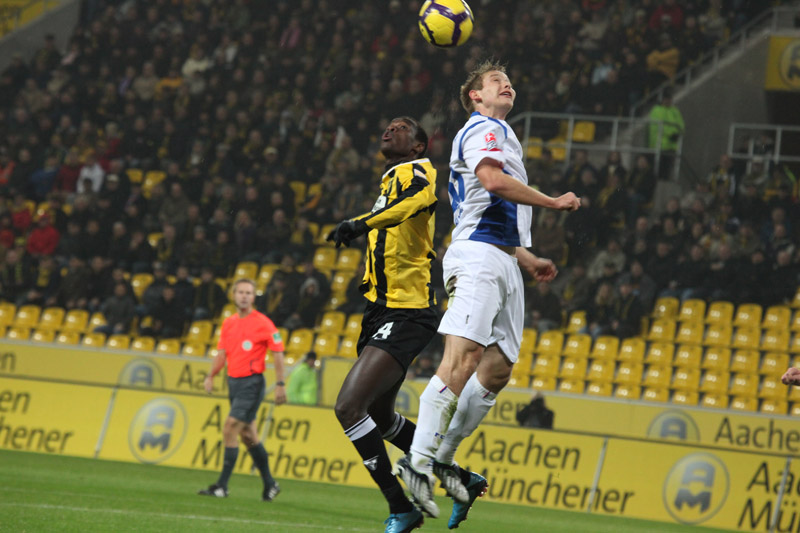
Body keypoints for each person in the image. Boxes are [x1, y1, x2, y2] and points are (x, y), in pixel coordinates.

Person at [397, 61, 581, 527]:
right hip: (478, 257)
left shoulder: (502, 134)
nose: (507, 84)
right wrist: (552, 201)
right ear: (475, 96)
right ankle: (416, 462)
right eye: (496, 81)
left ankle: (443, 457)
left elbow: (488, 205)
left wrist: (526, 257)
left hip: (502, 257)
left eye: (509, 80)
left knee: (496, 370)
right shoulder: (483, 128)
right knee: (462, 359)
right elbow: (493, 182)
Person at [327, 116, 438, 533]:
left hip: (407, 309)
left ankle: (400, 506)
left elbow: (413, 203)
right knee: (378, 414)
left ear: (418, 146)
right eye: (387, 126)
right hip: (380, 309)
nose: (389, 130)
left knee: (347, 407)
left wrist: (360, 224)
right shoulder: (389, 183)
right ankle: (455, 473)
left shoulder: (418, 172)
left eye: (401, 127)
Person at [199, 278, 286, 502]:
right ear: (234, 295)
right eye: (241, 292)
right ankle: (270, 484)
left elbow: (278, 353)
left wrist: (280, 384)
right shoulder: (229, 323)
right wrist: (211, 375)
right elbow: (221, 354)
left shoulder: (263, 323)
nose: (244, 296)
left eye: (248, 293)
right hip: (234, 383)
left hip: (252, 383)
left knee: (230, 427)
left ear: (254, 297)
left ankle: (222, 486)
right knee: (248, 436)